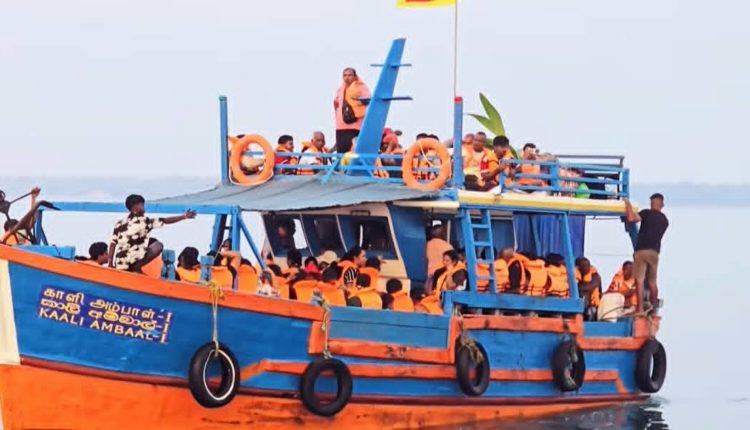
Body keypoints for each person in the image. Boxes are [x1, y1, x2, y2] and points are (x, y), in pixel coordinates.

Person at [108, 194, 195, 272]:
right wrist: (184, 216)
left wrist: (110, 263)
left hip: (120, 264)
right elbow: (165, 220)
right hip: (132, 264)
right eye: (142, 206)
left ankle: (135, 267)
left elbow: (113, 244)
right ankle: (136, 267)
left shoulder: (119, 223)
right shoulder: (144, 221)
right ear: (136, 208)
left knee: (150, 241)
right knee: (158, 245)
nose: (144, 209)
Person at [624, 193, 669, 313]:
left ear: (651, 203)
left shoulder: (646, 213)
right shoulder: (665, 220)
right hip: (654, 253)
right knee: (652, 282)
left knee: (639, 280)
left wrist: (627, 204)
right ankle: (654, 310)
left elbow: (631, 218)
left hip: (642, 251)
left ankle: (639, 309)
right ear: (662, 205)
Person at [334, 67, 370, 153]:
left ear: (355, 76)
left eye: (349, 75)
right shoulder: (340, 90)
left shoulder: (361, 87)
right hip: (341, 126)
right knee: (342, 153)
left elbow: (368, 100)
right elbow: (336, 104)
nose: (347, 77)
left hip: (356, 125)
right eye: (345, 75)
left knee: (355, 151)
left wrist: (356, 99)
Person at [425, 224, 453, 292]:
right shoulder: (448, 247)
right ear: (442, 234)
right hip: (442, 276)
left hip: (429, 276)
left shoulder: (427, 244)